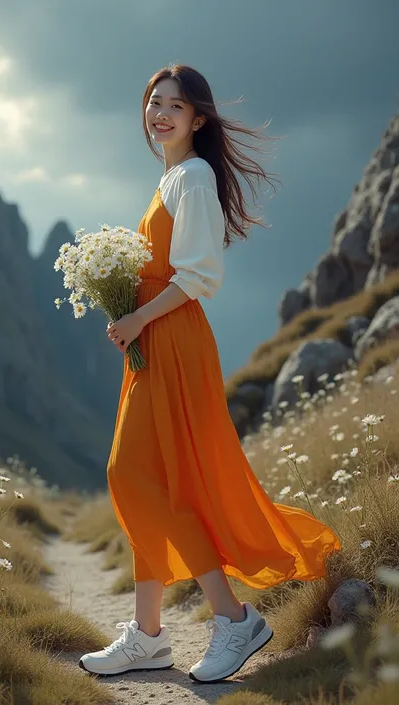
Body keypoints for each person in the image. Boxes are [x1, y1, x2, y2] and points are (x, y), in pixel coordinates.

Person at [79, 63, 341, 684]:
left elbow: (200, 277)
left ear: (199, 118)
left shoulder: (192, 178)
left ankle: (234, 618)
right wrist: (128, 310)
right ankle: (147, 636)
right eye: (153, 103)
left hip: (171, 339)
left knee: (130, 475)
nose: (160, 114)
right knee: (149, 478)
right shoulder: (171, 177)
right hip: (153, 337)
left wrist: (138, 316)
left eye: (175, 105)